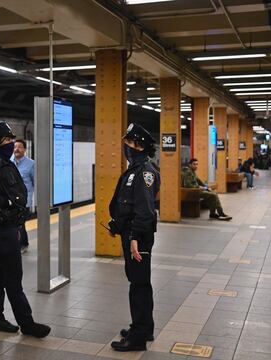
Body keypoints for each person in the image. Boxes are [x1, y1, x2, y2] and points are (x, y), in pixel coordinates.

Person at [0, 122, 51, 338]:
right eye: (7, 140)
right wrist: (8, 205)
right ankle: (27, 323)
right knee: (13, 276)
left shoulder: (3, 163)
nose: (11, 144)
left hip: (8, 226)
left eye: (12, 140)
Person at [107, 123, 160, 352]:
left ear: (139, 146)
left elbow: (145, 210)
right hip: (131, 233)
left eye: (128, 143)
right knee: (139, 282)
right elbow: (128, 204)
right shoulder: (135, 169)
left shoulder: (144, 172)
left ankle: (138, 338)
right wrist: (117, 224)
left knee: (138, 285)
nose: (125, 146)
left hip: (138, 237)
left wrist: (135, 237)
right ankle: (144, 328)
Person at [11, 139, 35, 253]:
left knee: (20, 223)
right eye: (15, 147)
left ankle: (23, 245)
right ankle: (17, 244)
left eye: (20, 147)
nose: (17, 149)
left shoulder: (31, 164)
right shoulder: (8, 162)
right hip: (11, 199)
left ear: (25, 149)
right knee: (13, 223)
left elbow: (35, 182)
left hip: (25, 200)